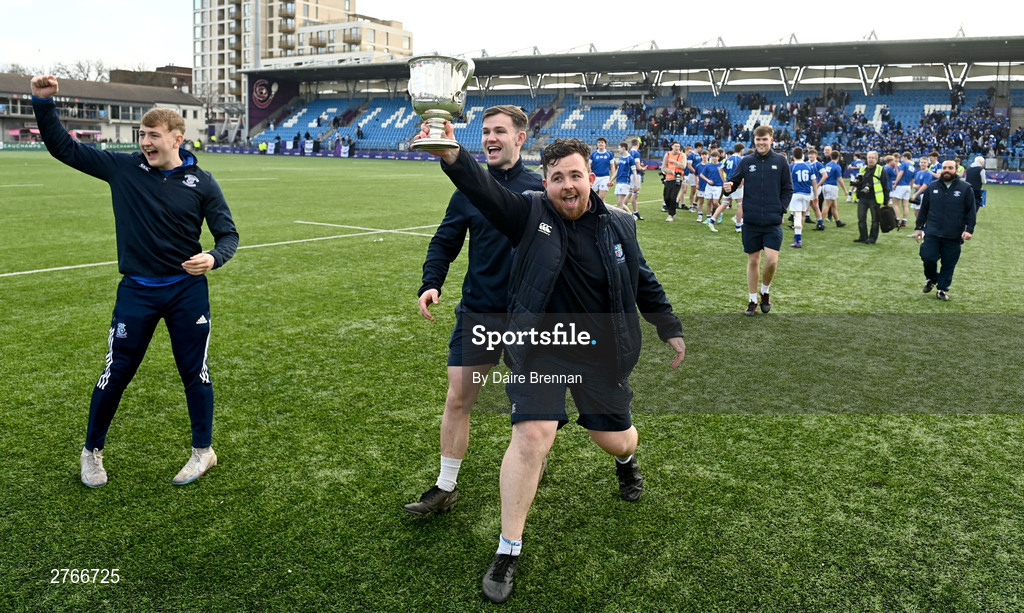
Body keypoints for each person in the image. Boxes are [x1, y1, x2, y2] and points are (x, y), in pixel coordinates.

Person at [421, 124, 686, 604]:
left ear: (592, 179)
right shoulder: (528, 214)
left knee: (615, 438)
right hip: (543, 348)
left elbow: (642, 278)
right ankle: (508, 549)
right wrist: (453, 156)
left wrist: (668, 325)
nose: (567, 185)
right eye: (558, 177)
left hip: (600, 353)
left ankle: (627, 461)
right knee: (531, 434)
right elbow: (485, 192)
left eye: (576, 176)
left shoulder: (621, 224)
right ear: (544, 184)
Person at [30, 75, 239, 488]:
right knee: (116, 371)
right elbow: (64, 148)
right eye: (142, 134)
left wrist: (213, 258)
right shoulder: (123, 168)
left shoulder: (203, 182)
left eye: (154, 135)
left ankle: (203, 452)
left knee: (194, 371)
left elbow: (229, 235)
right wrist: (42, 103)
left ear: (177, 138)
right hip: (137, 291)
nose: (145, 141)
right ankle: (91, 453)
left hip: (185, 291)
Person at [405, 106, 544, 517]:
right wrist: (431, 282)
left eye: (500, 131)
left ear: (521, 137)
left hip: (527, 318)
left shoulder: (538, 190)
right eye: (485, 132)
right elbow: (444, 241)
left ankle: (538, 458)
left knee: (532, 409)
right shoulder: (466, 190)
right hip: (479, 312)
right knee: (459, 398)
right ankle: (446, 486)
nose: (490, 138)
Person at [723, 125, 793, 315]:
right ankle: (752, 300)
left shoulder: (780, 161)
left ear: (772, 140)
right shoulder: (746, 161)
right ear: (754, 140)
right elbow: (733, 182)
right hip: (751, 221)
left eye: (764, 139)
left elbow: (788, 189)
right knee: (753, 261)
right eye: (758, 139)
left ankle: (765, 292)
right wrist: (727, 187)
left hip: (772, 221)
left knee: (771, 261)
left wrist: (780, 208)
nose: (761, 143)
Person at [913, 160, 976, 300]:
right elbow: (924, 209)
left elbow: (971, 211)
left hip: (953, 234)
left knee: (949, 263)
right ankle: (931, 278)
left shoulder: (966, 188)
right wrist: (918, 228)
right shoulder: (932, 187)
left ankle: (941, 289)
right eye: (944, 168)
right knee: (927, 256)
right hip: (932, 231)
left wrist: (969, 230)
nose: (947, 170)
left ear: (956, 170)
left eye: (950, 168)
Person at [853, 151, 890, 244]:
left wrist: (886, 200)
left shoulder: (881, 170)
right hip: (863, 198)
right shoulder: (863, 169)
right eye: (869, 158)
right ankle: (863, 237)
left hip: (875, 198)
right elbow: (859, 182)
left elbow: (885, 185)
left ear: (876, 159)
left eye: (873, 158)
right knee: (861, 218)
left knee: (875, 220)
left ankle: (872, 239)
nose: (871, 159)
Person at [788, 147, 814, 248]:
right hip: (807, 194)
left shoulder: (792, 167)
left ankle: (798, 239)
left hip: (796, 193)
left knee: (797, 216)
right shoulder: (809, 167)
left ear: (793, 156)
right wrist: (815, 195)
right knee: (802, 215)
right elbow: (814, 182)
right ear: (803, 155)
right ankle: (798, 235)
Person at [819, 150, 847, 227]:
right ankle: (820, 223)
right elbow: (840, 179)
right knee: (827, 205)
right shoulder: (837, 166)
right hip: (832, 186)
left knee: (834, 205)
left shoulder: (827, 165)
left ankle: (838, 221)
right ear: (838, 157)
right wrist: (845, 189)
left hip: (825, 185)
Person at [610, 142, 638, 214]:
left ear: (623, 148)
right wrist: (611, 179)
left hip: (625, 182)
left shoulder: (630, 159)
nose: (618, 150)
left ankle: (621, 220)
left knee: (620, 203)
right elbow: (618, 170)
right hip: (618, 181)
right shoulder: (621, 158)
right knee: (619, 203)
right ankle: (631, 215)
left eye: (619, 148)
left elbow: (634, 172)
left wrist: (635, 184)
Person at [661, 141, 685, 221]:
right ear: (672, 147)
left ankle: (671, 214)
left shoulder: (682, 155)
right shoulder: (667, 155)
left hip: (678, 179)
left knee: (673, 196)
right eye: (675, 146)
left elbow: (683, 166)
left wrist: (674, 162)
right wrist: (671, 172)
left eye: (678, 146)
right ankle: (672, 210)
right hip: (668, 178)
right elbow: (663, 167)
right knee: (666, 197)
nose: (677, 148)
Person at [892, 152, 916, 228]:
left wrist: (895, 183)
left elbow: (900, 174)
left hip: (901, 185)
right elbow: (913, 179)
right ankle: (904, 221)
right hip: (908, 186)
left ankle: (897, 221)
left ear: (905, 157)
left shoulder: (904, 164)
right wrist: (911, 187)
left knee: (895, 203)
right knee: (905, 205)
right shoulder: (913, 167)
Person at [590, 137, 614, 202]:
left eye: (602, 142)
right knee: (594, 197)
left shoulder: (609, 154)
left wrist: (612, 178)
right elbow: (589, 166)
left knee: (601, 197)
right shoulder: (593, 154)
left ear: (605, 144)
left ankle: (603, 211)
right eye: (599, 142)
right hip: (595, 177)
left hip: (605, 177)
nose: (600, 144)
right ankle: (596, 211)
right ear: (597, 144)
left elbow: (612, 166)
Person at [628, 138, 645, 220]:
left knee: (630, 194)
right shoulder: (636, 153)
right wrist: (643, 168)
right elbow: (638, 167)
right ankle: (635, 213)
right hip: (635, 175)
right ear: (638, 145)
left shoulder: (629, 152)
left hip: (629, 174)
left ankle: (630, 212)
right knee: (635, 195)